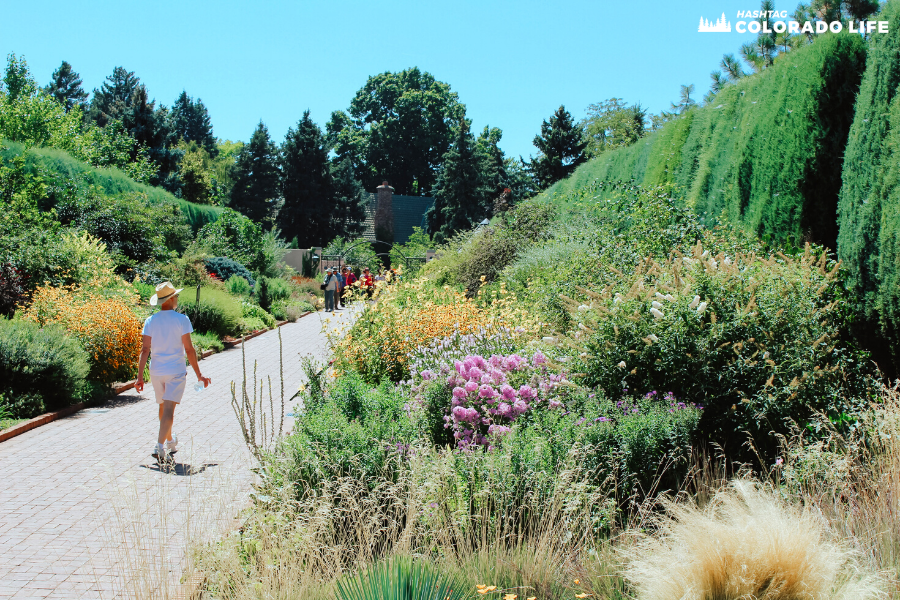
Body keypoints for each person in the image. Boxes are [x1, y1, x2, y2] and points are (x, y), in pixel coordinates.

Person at [135, 282, 211, 464]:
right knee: (169, 409)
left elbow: (145, 350)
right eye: (176, 296)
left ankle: (170, 440)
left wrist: (139, 377)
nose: (177, 298)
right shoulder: (182, 320)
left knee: (162, 407)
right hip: (175, 371)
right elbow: (190, 350)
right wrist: (199, 375)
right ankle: (159, 446)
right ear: (171, 299)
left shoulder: (150, 321)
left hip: (157, 371)